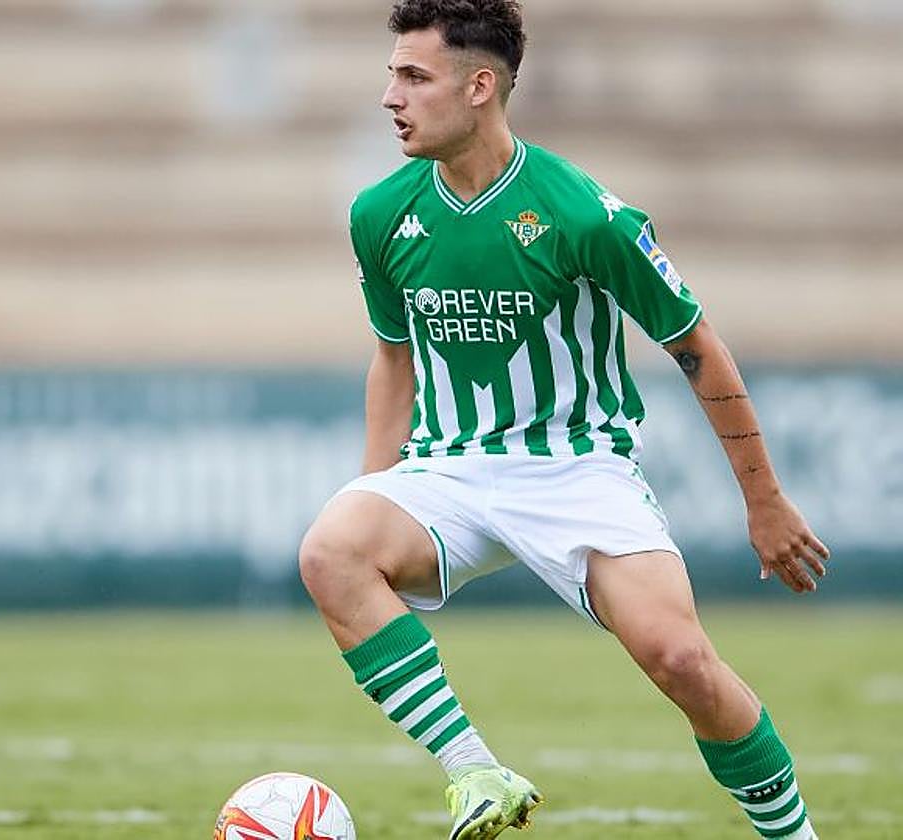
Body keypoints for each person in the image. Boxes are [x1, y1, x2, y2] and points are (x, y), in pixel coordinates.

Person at [298, 2, 830, 838]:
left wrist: (763, 501)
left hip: (578, 465)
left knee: (681, 659)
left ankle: (793, 833)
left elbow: (697, 346)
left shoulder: (584, 214)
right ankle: (476, 774)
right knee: (331, 548)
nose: (389, 97)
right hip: (450, 467)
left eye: (412, 77)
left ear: (480, 87)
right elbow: (393, 356)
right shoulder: (380, 215)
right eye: (390, 74)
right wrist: (378, 487)